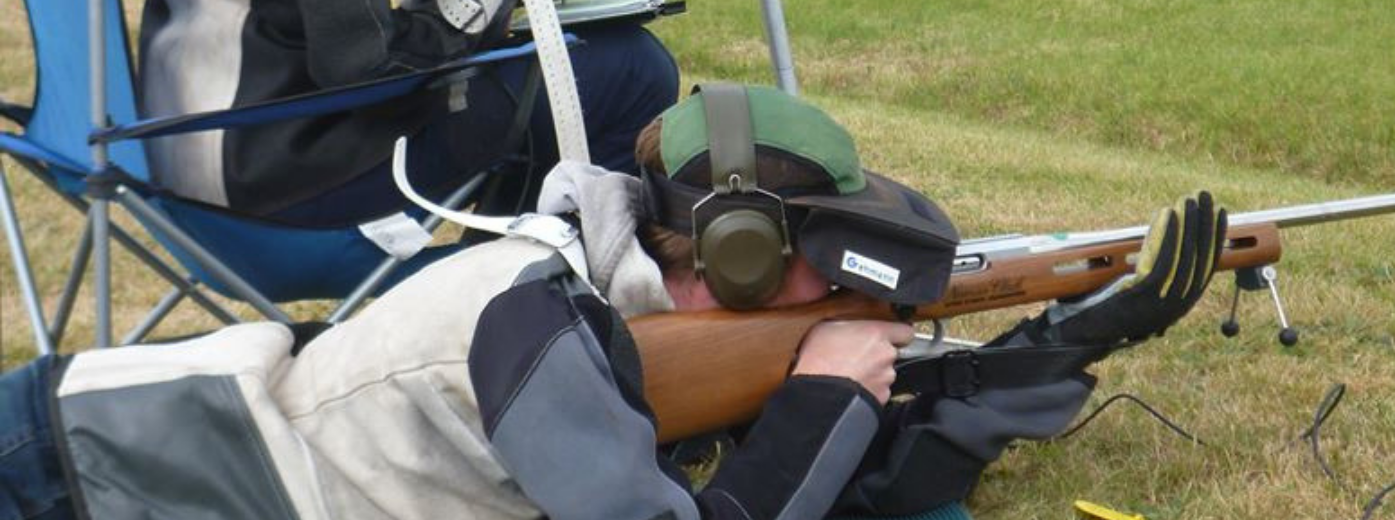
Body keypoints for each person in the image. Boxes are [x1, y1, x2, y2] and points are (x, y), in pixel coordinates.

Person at [0, 85, 1225, 520]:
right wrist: (810, 401)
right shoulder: (530, 313)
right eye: (831, 258)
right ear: (735, 258)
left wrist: (1069, 335)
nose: (851, 289)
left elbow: (873, 471)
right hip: (71, 468)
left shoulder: (643, 323)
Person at [137, 0, 680, 226]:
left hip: (178, 162)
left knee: (557, 68)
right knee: (631, 67)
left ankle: (516, 292)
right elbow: (367, 65)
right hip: (277, 174)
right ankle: (533, 310)